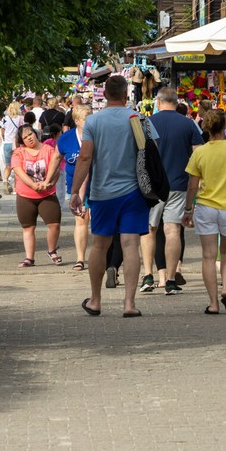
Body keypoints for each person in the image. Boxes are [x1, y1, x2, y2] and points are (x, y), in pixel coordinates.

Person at [69, 75, 150, 318]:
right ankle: (129, 304)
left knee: (100, 245)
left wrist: (75, 192)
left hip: (102, 193)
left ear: (104, 94)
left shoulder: (93, 121)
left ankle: (95, 300)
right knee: (130, 245)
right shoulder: (137, 118)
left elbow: (85, 158)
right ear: (126, 94)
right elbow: (151, 151)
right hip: (134, 192)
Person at [182, 108, 226, 315]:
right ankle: (225, 289)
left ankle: (213, 303)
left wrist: (188, 209)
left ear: (205, 127)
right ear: (225, 126)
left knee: (208, 256)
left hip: (206, 208)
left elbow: (192, 186)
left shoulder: (200, 153)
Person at [139, 87, 203, 295]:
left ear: (158, 102)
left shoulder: (147, 123)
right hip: (178, 184)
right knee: (173, 230)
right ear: (176, 103)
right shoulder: (188, 124)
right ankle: (171, 279)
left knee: (149, 229)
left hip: (152, 187)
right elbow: (198, 156)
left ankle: (148, 275)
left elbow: (139, 153)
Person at [10, 123, 63, 267]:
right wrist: (33, 185)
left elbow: (56, 167)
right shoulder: (18, 153)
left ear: (36, 133)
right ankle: (29, 258)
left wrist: (50, 183)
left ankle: (52, 250)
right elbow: (18, 171)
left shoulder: (48, 150)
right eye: (25, 137)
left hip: (47, 193)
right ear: (22, 141)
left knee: (54, 224)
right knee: (28, 227)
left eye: (30, 134)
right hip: (25, 195)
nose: (29, 138)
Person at [56, 105, 91, 270]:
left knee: (99, 223)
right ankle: (80, 258)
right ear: (77, 121)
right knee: (81, 220)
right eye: (86, 118)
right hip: (75, 186)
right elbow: (56, 158)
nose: (90, 120)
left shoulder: (97, 135)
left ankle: (103, 257)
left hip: (98, 187)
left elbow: (88, 169)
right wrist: (48, 180)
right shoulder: (67, 138)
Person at [0, 102, 22, 193]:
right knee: (18, 166)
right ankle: (16, 187)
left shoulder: (5, 119)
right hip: (16, 144)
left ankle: (5, 181)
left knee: (8, 165)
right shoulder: (20, 118)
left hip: (7, 143)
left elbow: (2, 131)